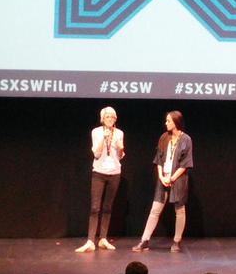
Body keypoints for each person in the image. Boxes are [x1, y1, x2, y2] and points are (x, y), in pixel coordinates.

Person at [132, 111, 193, 253]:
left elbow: (185, 164)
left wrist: (172, 178)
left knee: (180, 210)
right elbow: (159, 160)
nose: (166, 123)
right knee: (155, 210)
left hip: (178, 179)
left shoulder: (186, 140)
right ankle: (144, 240)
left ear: (176, 122)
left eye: (169, 121)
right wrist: (161, 176)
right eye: (166, 121)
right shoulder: (163, 138)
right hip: (163, 178)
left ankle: (177, 241)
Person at [75, 106, 125, 252]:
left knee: (108, 208)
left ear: (115, 119)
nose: (110, 119)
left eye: (112, 117)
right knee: (95, 208)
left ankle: (103, 238)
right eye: (107, 116)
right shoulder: (96, 132)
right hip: (99, 172)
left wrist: (121, 148)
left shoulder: (120, 133)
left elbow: (120, 155)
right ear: (102, 119)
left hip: (114, 173)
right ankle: (90, 241)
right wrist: (104, 139)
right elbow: (96, 154)